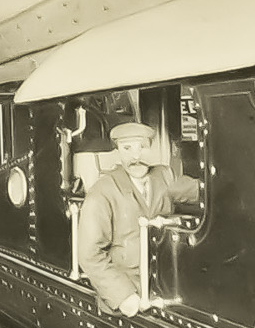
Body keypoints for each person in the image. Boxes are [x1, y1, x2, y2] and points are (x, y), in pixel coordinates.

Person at [76, 122, 203, 317]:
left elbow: (201, 191)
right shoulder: (103, 192)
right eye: (127, 149)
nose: (135, 157)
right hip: (130, 294)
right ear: (118, 151)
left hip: (166, 285)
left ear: (151, 149)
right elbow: (89, 254)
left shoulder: (164, 176)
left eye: (142, 147)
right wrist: (123, 296)